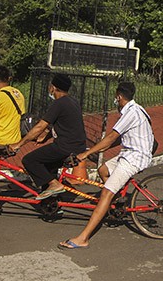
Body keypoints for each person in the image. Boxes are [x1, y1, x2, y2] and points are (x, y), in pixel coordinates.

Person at [59, 81, 153, 249]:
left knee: (106, 193)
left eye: (115, 98)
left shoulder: (130, 113)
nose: (115, 101)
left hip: (134, 158)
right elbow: (115, 140)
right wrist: (98, 148)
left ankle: (83, 238)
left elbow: (111, 137)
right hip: (129, 153)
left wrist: (85, 154)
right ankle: (117, 202)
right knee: (103, 170)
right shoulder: (137, 109)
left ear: (119, 96)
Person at [9, 73, 86, 200]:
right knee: (47, 167)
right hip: (77, 146)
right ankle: (51, 202)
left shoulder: (59, 103)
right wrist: (46, 137)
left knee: (29, 160)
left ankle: (54, 185)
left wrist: (19, 144)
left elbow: (40, 126)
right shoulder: (73, 102)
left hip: (64, 146)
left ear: (54, 88)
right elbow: (63, 122)